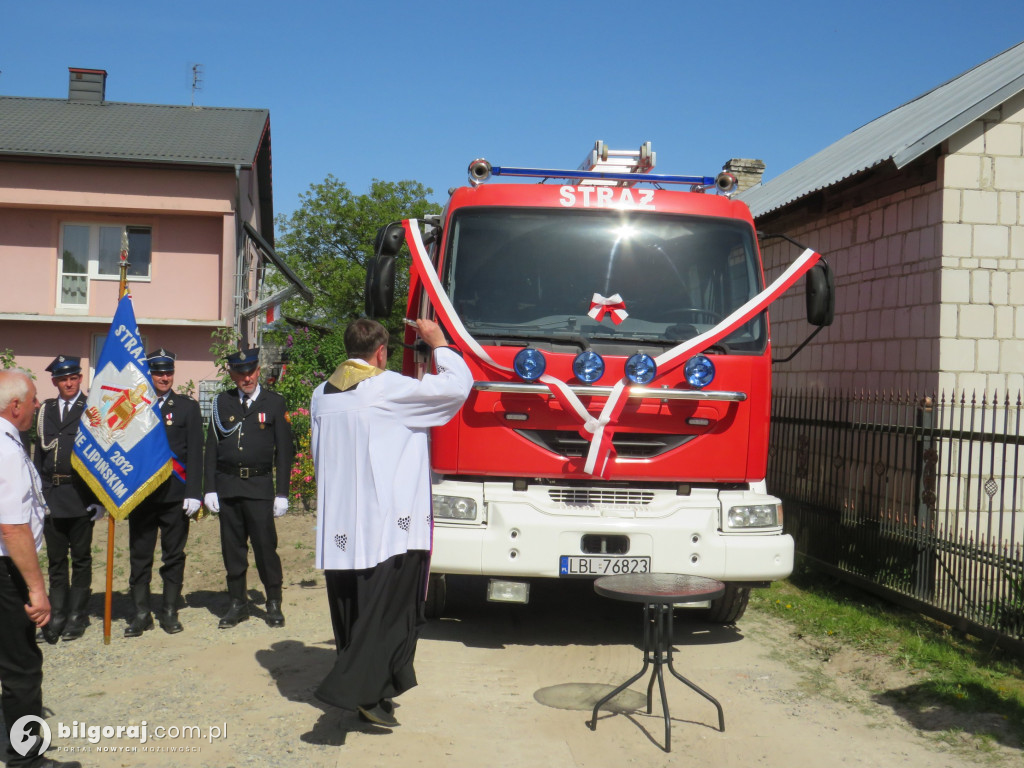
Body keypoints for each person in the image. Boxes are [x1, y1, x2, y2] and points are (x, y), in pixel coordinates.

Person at [310, 318, 471, 727]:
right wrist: (439, 343)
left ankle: (373, 692)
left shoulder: (320, 395)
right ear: (380, 352)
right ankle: (353, 688)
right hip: (386, 530)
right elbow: (456, 388)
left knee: (351, 610)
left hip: (340, 526)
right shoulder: (387, 388)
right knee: (386, 614)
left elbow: (317, 455)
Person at [1, 369, 82, 768]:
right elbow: (13, 526)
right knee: (21, 666)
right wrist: (36, 589)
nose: (38, 405)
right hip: (7, 570)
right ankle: (26, 758)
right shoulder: (6, 448)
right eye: (32, 399)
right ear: (15, 407)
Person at [204, 348, 293, 629]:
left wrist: (282, 493)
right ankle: (237, 603)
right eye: (241, 373)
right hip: (229, 487)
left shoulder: (274, 403)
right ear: (232, 374)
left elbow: (284, 452)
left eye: (251, 371)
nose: (247, 377)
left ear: (258, 371)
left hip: (259, 487)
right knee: (233, 550)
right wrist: (209, 488)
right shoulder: (222, 403)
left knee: (265, 548)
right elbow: (211, 448)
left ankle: (273, 601)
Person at [123, 349, 203, 637]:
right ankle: (142, 612)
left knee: (173, 555)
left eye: (168, 372)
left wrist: (195, 492)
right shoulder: (134, 406)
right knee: (140, 556)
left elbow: (195, 452)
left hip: (175, 495)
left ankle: (169, 610)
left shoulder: (187, 407)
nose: (164, 377)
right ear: (149, 375)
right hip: (142, 496)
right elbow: (123, 447)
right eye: (158, 373)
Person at [33, 356, 102, 643]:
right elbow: (39, 456)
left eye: (73, 377)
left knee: (82, 559)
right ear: (55, 382)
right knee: (56, 560)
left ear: (80, 379)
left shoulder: (91, 410)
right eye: (63, 379)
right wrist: (37, 496)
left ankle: (78, 614)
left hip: (80, 495)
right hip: (52, 496)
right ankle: (57, 613)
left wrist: (98, 499)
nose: (69, 383)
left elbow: (101, 455)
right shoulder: (46, 410)